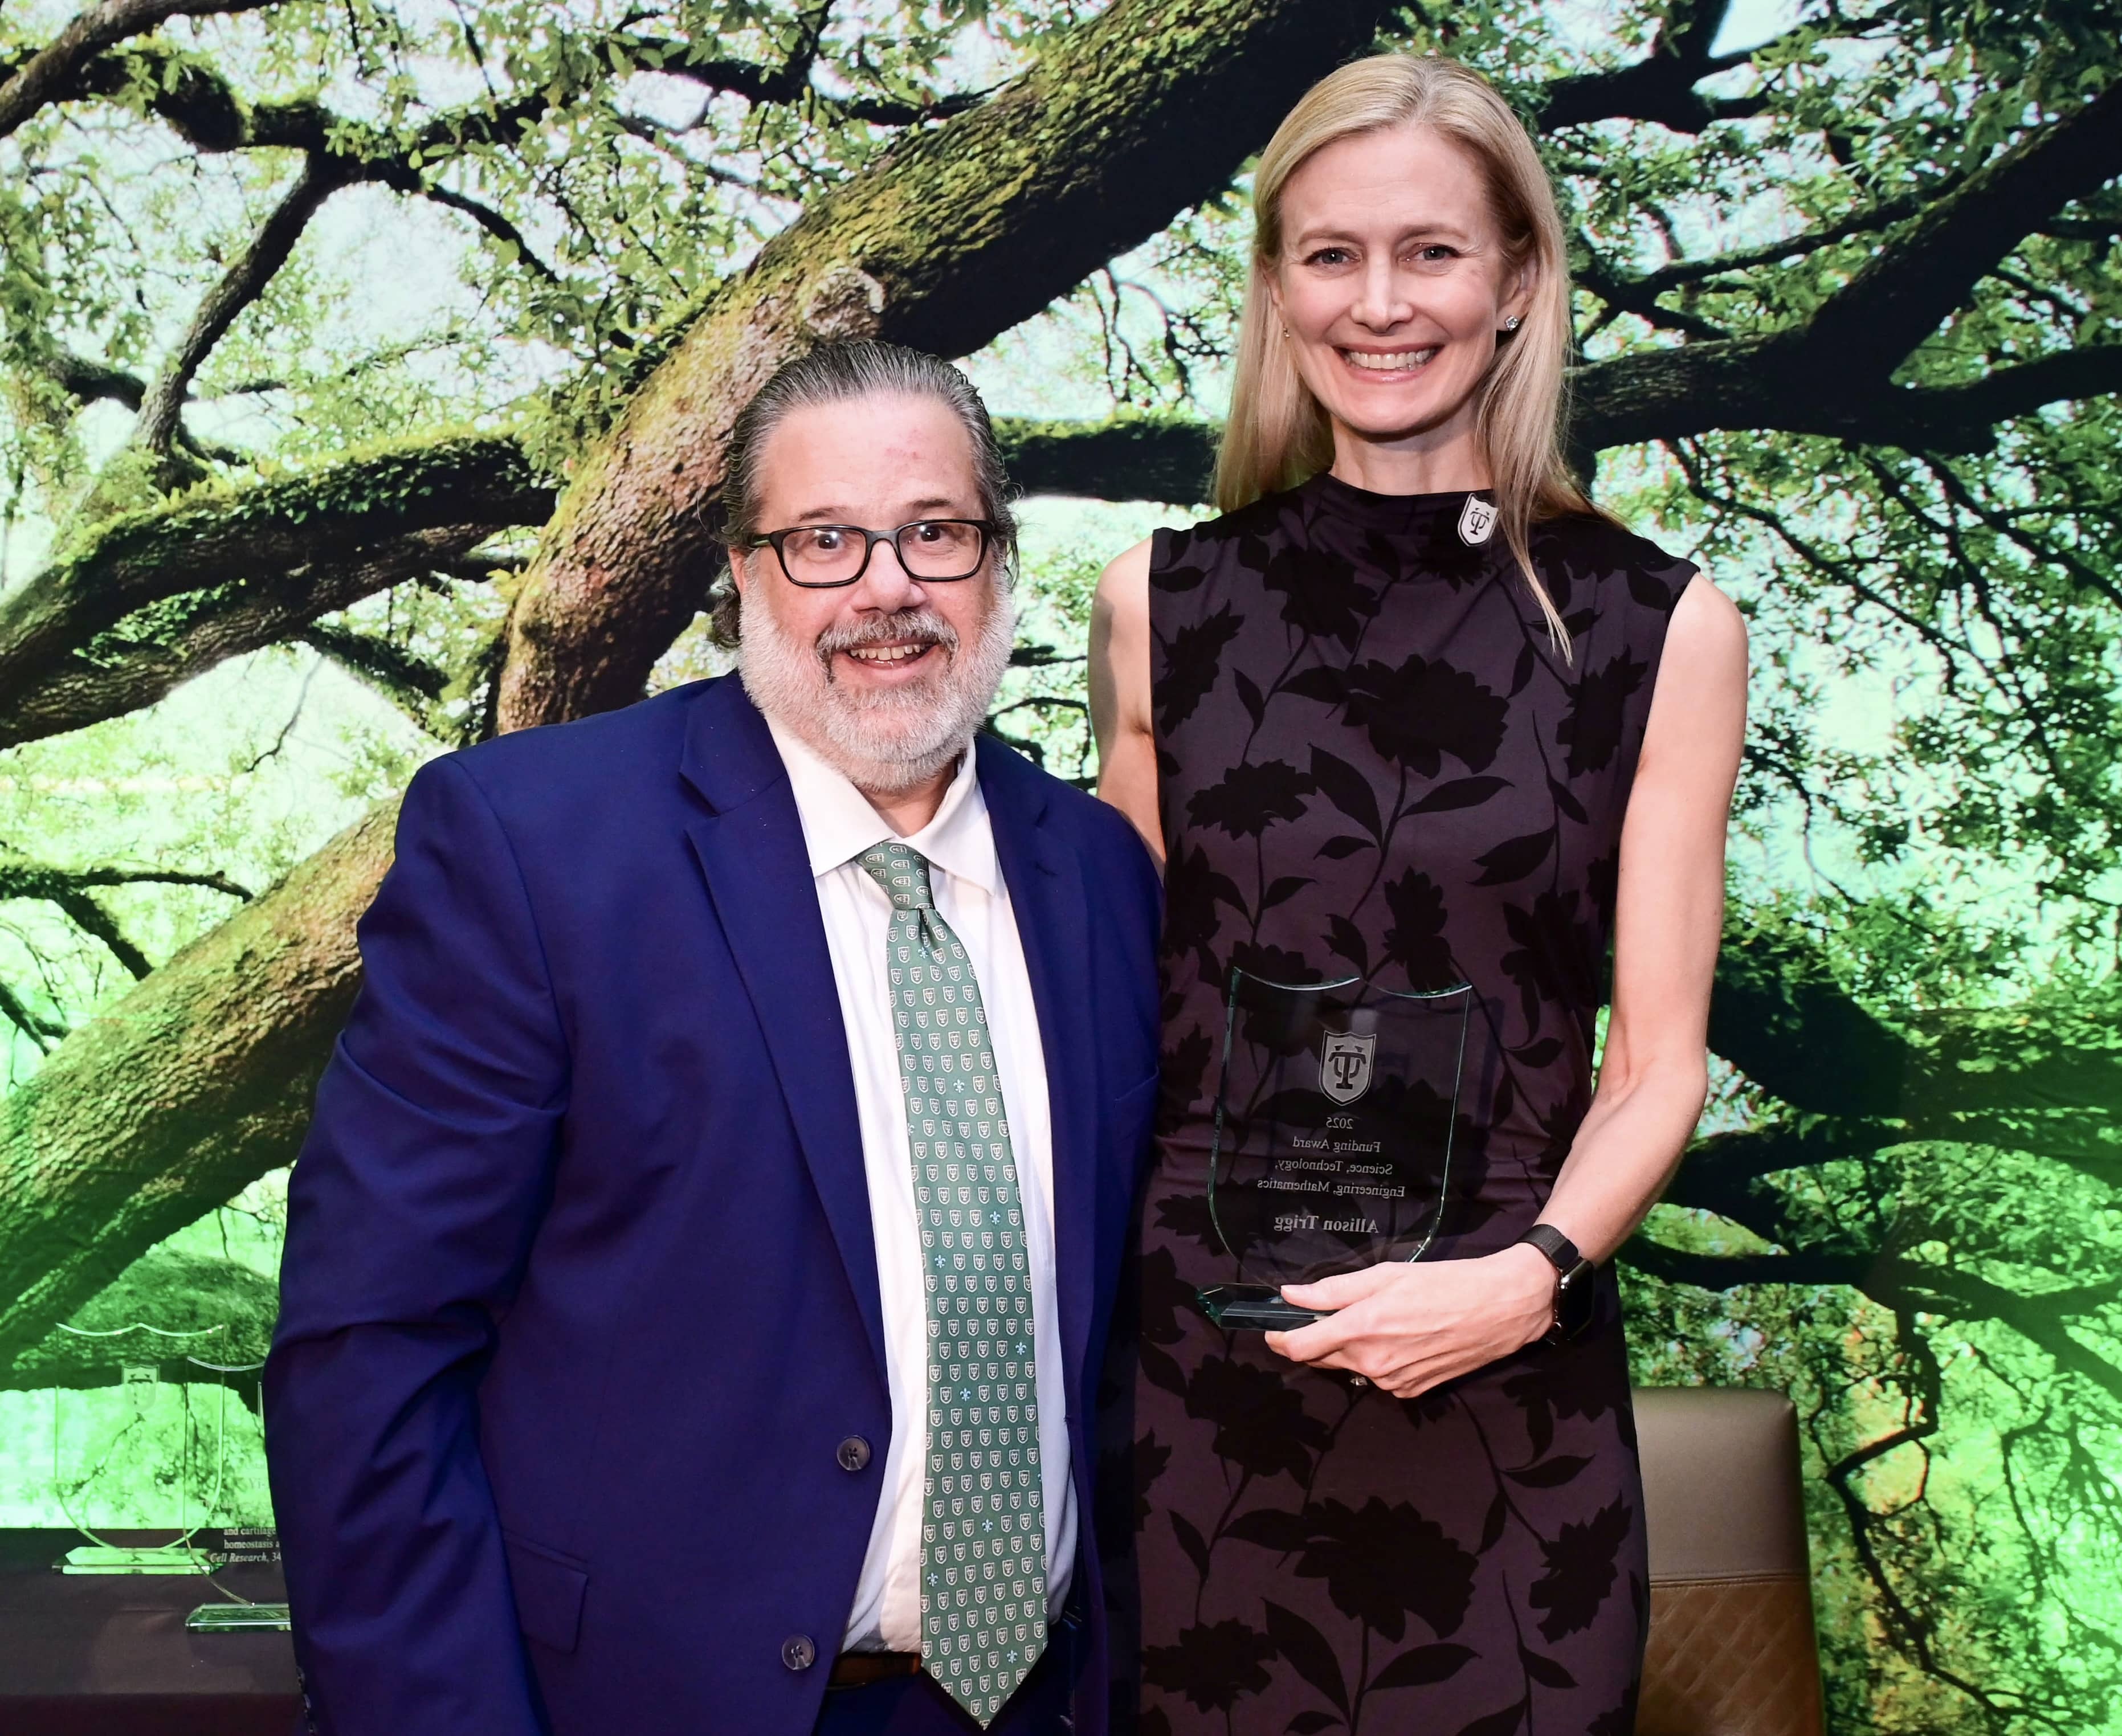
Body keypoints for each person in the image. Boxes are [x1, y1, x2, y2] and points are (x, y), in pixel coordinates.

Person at [265, 341, 1162, 1736]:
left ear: (1000, 568)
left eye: (935, 532)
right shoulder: (532, 847)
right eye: (821, 541)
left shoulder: (1099, 880)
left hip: (1038, 1705)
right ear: (741, 573)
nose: (885, 586)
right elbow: (368, 1355)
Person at [1089, 54, 1746, 1734]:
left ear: (1519, 277)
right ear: (1274, 284)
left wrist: (1527, 1276)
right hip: (1201, 1412)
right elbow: (1116, 1024)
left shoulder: (1657, 627)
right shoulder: (1157, 604)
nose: (1379, 304)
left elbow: (1653, 1063)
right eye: (1330, 254)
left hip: (1506, 1399)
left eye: (1432, 252)